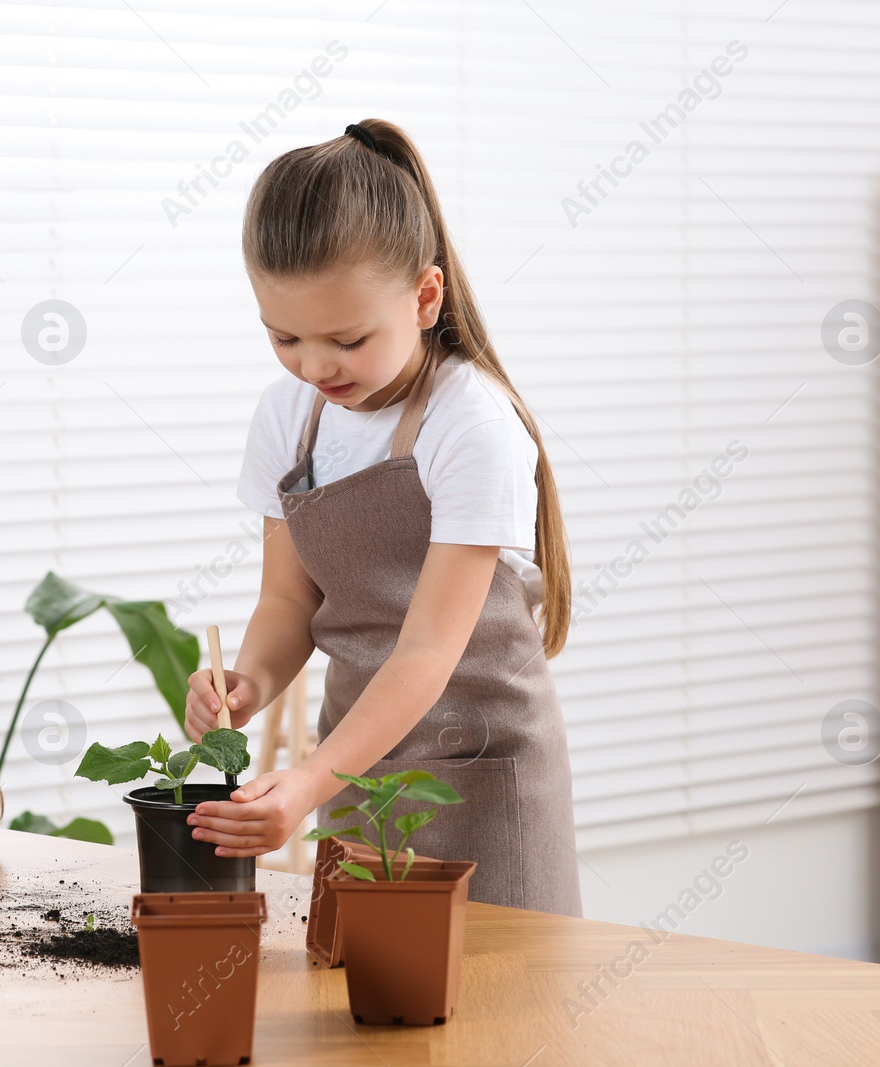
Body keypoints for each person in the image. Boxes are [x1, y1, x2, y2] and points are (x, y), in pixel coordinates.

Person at [180, 119, 581, 913]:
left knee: (500, 1019)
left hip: (482, 775)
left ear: (425, 297)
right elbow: (289, 602)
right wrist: (250, 679)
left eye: (347, 338)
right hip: (356, 762)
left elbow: (427, 650)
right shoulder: (288, 417)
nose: (315, 365)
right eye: (284, 336)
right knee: (371, 1008)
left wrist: (304, 782)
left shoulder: (472, 424)